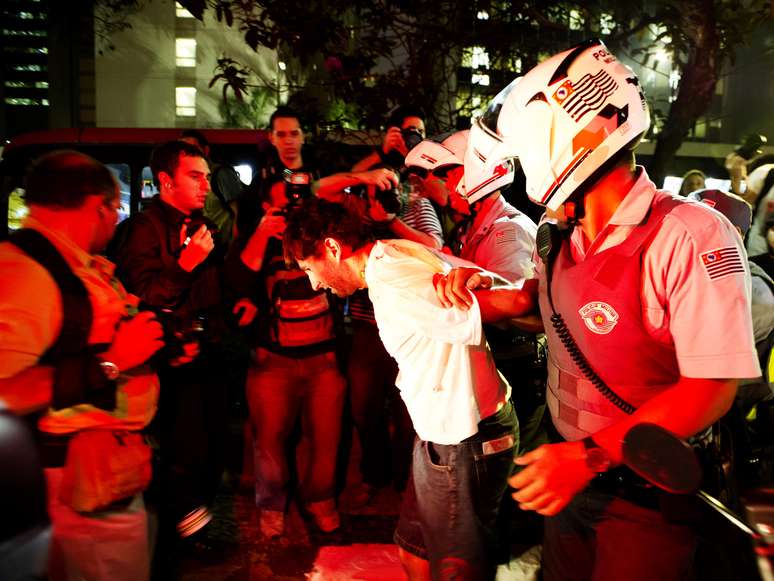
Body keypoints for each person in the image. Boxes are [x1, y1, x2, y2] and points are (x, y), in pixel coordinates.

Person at [435, 40, 760, 581]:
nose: (519, 171)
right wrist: (465, 288)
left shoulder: (689, 234)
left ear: (570, 136)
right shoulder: (558, 233)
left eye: (523, 153)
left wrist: (588, 458)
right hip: (568, 483)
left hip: (646, 498)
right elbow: (536, 303)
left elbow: (713, 386)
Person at [283, 196, 527, 580]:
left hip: (464, 440)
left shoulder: (394, 281)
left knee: (456, 570)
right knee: (414, 552)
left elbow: (514, 300)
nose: (315, 283)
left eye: (310, 268)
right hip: (436, 437)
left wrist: (507, 288)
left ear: (331, 248)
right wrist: (482, 276)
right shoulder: (391, 253)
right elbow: (471, 272)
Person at [0, 150, 164, 580]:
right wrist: (111, 362)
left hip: (102, 479)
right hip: (73, 491)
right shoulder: (27, 270)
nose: (116, 221)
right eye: (117, 209)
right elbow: (5, 396)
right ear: (100, 206)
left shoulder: (69, 263)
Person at [113, 140, 230, 576]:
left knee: (212, 447)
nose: (205, 186)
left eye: (206, 176)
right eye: (194, 177)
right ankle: (183, 539)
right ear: (165, 181)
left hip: (207, 355)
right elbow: (142, 295)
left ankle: (191, 530)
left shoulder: (201, 224)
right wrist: (185, 264)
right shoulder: (144, 229)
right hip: (170, 363)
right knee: (182, 453)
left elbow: (211, 289)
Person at [224, 174, 346, 537]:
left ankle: (321, 499)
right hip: (272, 362)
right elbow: (236, 280)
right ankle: (272, 505)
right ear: (266, 207)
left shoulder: (319, 236)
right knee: (270, 442)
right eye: (283, 204)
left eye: (297, 202)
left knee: (327, 441)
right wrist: (263, 233)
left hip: (323, 361)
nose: (291, 210)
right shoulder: (256, 240)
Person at [179, 129, 243, 249]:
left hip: (223, 251)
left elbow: (239, 212)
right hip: (203, 250)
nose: (188, 155)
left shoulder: (221, 174)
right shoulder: (187, 180)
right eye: (183, 151)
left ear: (206, 150)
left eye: (193, 149)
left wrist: (234, 249)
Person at [352, 105, 427, 172]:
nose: (417, 136)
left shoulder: (430, 159)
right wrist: (383, 151)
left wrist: (409, 157)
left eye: (420, 131)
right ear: (397, 132)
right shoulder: (386, 155)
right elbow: (354, 174)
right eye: (411, 131)